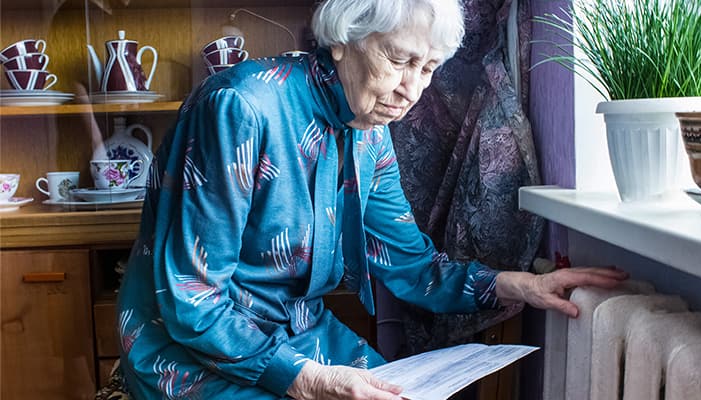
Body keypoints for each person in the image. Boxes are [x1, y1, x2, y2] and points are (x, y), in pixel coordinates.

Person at [116, 0, 628, 399]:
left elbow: (412, 266)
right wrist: (308, 381)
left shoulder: (369, 129)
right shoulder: (240, 108)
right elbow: (193, 302)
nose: (411, 89)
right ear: (344, 39)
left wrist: (521, 285)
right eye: (399, 59)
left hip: (297, 332)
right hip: (192, 349)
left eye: (428, 68)